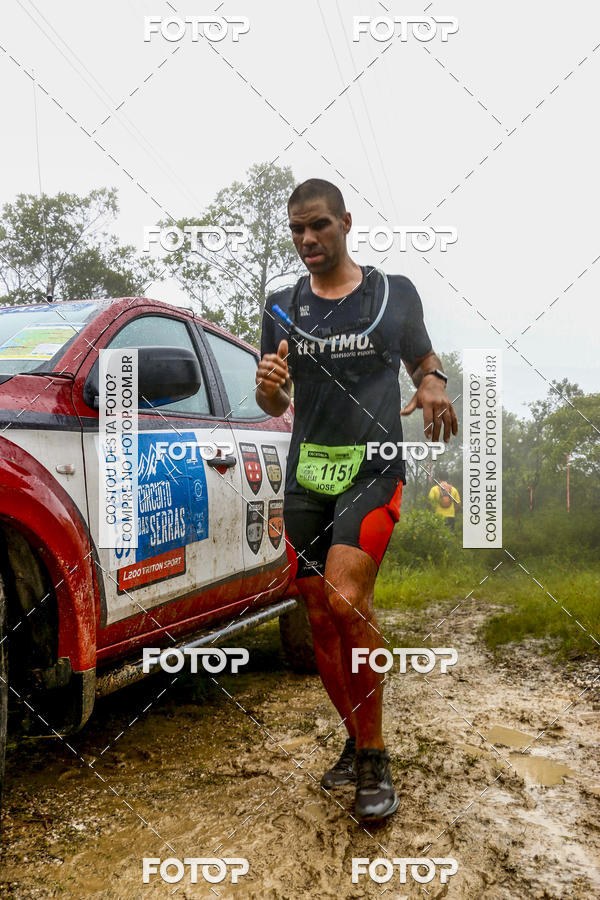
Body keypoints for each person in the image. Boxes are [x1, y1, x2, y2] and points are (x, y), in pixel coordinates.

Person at [255, 178, 458, 821]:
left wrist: (432, 383)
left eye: (318, 226)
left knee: (347, 597)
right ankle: (354, 736)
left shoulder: (392, 294)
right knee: (317, 616)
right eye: (296, 229)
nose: (307, 240)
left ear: (345, 222)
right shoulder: (281, 306)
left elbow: (425, 360)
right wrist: (268, 388)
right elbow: (274, 402)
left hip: (372, 468)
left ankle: (374, 759)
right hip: (307, 474)